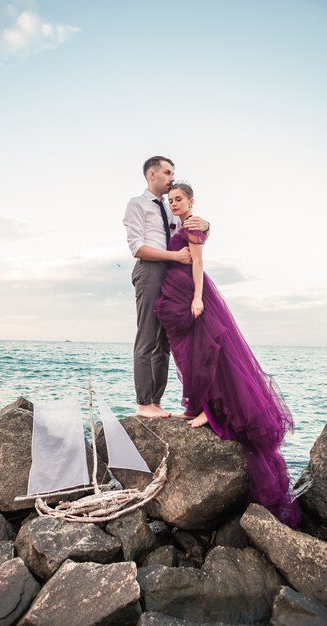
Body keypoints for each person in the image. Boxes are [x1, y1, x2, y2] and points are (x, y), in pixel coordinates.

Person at [154, 182, 300, 527]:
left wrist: (197, 298)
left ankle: (209, 411)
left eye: (179, 199)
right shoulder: (185, 223)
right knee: (187, 354)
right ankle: (201, 407)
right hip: (176, 294)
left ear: (191, 201)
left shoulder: (192, 225)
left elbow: (198, 263)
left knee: (207, 354)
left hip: (191, 293)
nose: (174, 203)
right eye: (171, 199)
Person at [123, 157, 210, 418]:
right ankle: (143, 402)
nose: (172, 177)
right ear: (152, 174)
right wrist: (175, 257)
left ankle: (156, 402)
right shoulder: (136, 204)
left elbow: (192, 230)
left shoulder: (171, 206)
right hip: (150, 270)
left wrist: (206, 224)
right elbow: (137, 248)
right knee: (147, 337)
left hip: (172, 277)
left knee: (164, 342)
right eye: (168, 172)